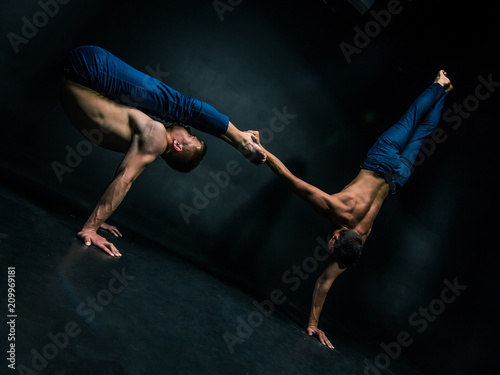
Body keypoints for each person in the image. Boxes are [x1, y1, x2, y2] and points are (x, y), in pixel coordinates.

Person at [258, 71, 453, 348]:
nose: (328, 246)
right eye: (330, 246)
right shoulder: (334, 209)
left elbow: (325, 280)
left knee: (421, 130)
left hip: (398, 177)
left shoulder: (362, 237)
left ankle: (442, 92)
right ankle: (438, 85)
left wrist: (314, 325)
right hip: (382, 161)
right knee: (411, 120)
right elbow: (292, 181)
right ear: (337, 237)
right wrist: (262, 151)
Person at [60, 45, 266, 256]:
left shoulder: (156, 135)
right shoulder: (144, 145)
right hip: (83, 76)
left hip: (87, 67)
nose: (188, 129)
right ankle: (239, 140)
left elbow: (124, 178)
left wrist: (91, 227)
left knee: (180, 106)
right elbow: (123, 176)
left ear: (177, 146)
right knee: (177, 111)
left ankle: (241, 139)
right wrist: (100, 218)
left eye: (190, 136)